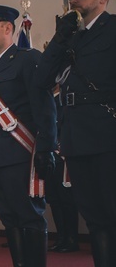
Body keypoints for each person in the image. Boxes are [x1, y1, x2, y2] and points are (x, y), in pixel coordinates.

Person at [34, 0, 116, 267]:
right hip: (77, 138)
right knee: (96, 220)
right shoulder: (72, 38)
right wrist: (58, 39)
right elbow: (41, 80)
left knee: (112, 216)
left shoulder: (113, 30)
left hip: (108, 134)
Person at [0, 5, 57, 267]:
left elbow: (43, 107)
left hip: (21, 152)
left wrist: (47, 146)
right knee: (9, 218)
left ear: (8, 28)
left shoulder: (28, 60)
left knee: (29, 216)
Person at [45, 90, 80, 253]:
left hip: (63, 154)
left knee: (67, 199)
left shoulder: (65, 96)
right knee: (54, 198)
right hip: (49, 155)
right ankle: (61, 238)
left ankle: (72, 239)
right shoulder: (45, 97)